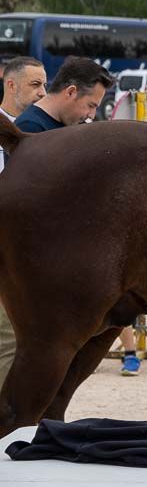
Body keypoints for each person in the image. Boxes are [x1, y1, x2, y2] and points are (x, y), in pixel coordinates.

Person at [10, 59, 141, 375]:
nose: (90, 115)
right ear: (70, 92)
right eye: (89, 105)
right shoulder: (33, 133)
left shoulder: (60, 130)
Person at [0, 57, 47, 389]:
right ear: (10, 84)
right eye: (35, 85)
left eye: (45, 85)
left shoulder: (42, 136)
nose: (42, 93)